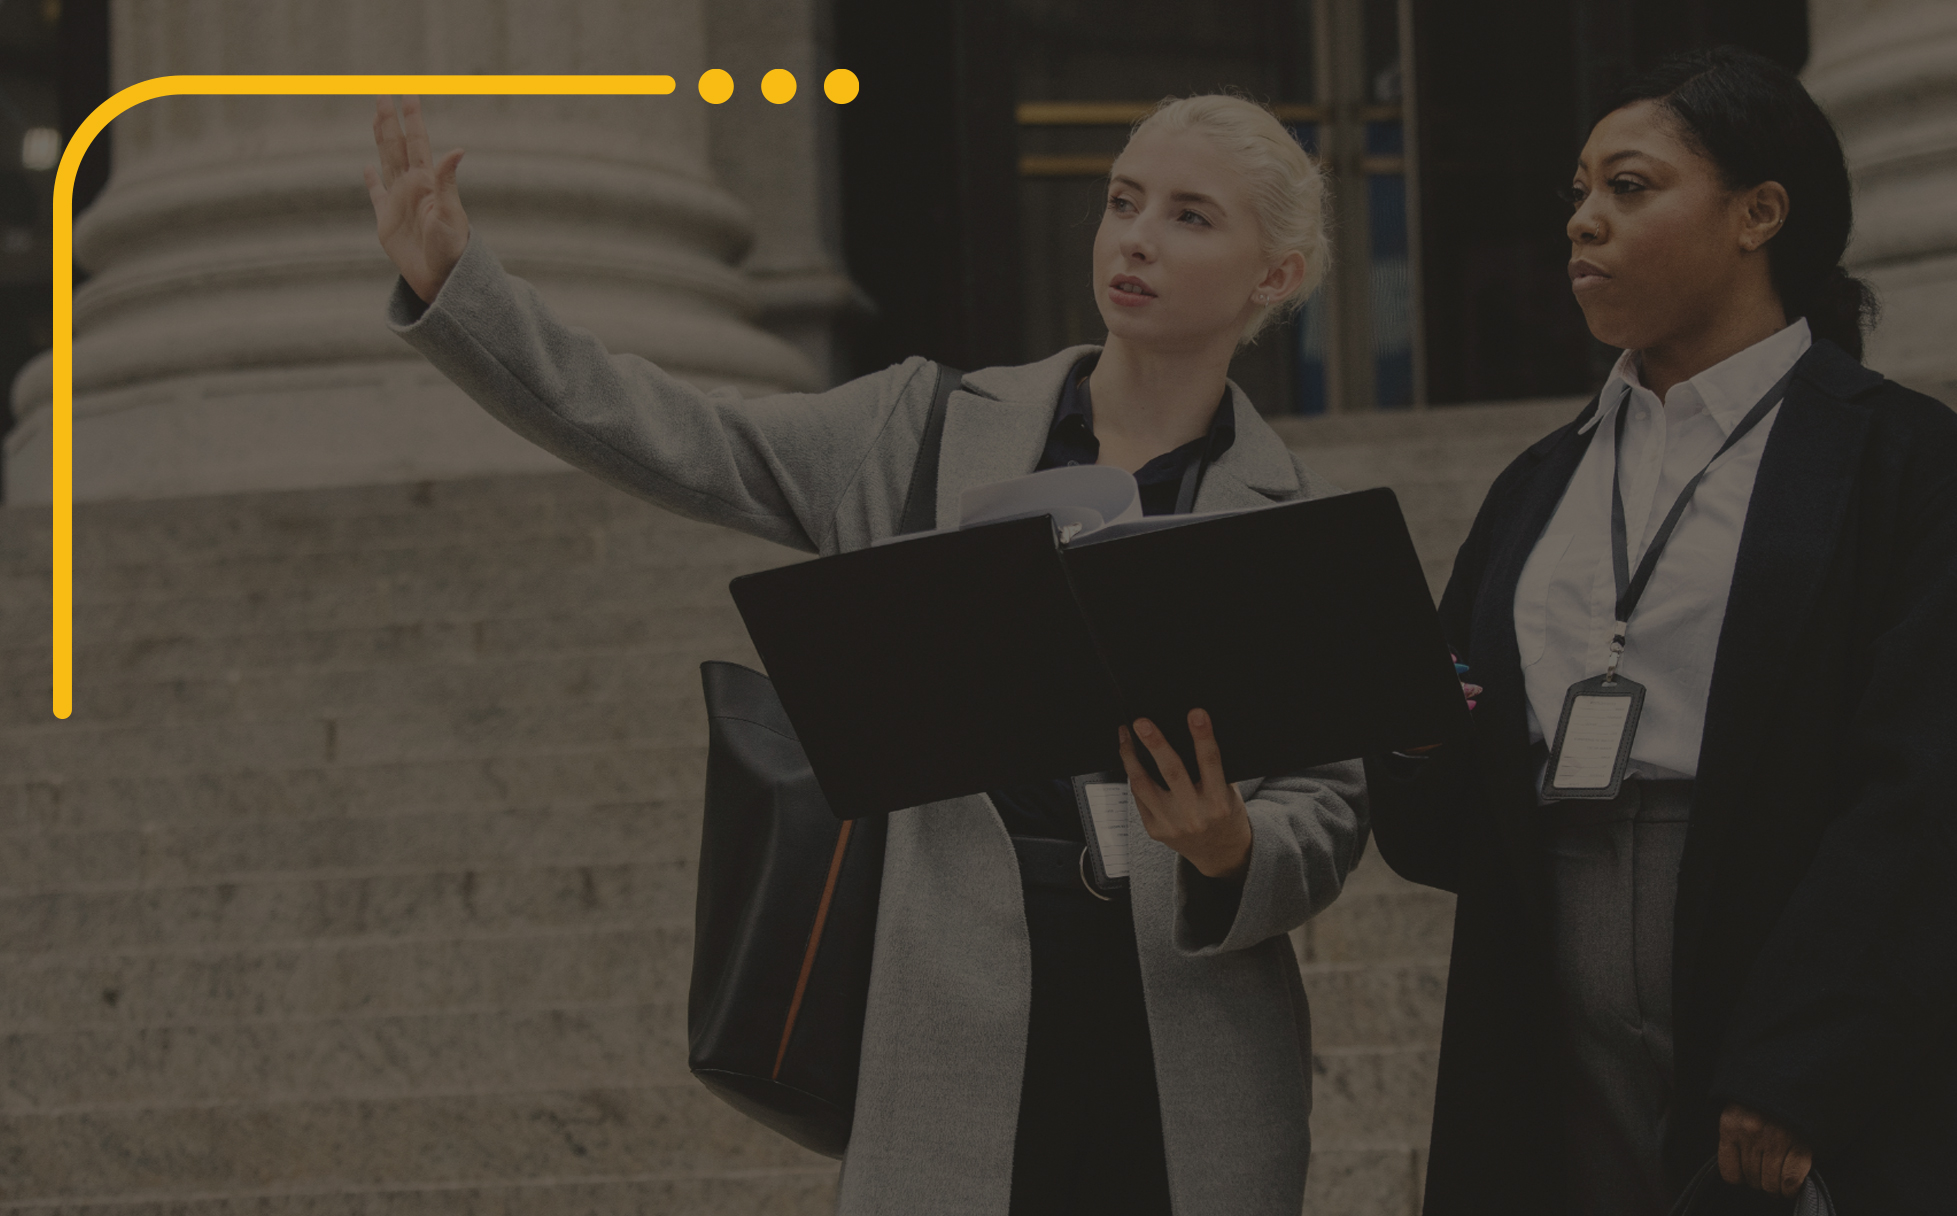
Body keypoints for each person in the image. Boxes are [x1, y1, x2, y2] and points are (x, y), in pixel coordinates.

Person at [366, 91, 1365, 1216]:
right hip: (953, 1030)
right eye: (1124, 200)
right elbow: (681, 434)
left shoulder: (1294, 525)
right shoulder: (925, 430)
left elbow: (1329, 807)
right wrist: (463, 288)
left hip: (1191, 1056)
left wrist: (1233, 847)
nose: (1135, 236)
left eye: (1190, 217)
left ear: (1273, 277)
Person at [1368, 47, 1957, 1216]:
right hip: (1544, 999)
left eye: (1629, 187)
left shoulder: (1904, 460)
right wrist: (1408, 730)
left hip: (1782, 973)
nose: (1584, 220)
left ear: (1758, 214)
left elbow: (1937, 792)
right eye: (1578, 191)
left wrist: (1801, 1064)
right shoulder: (1538, 484)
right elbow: (1440, 814)